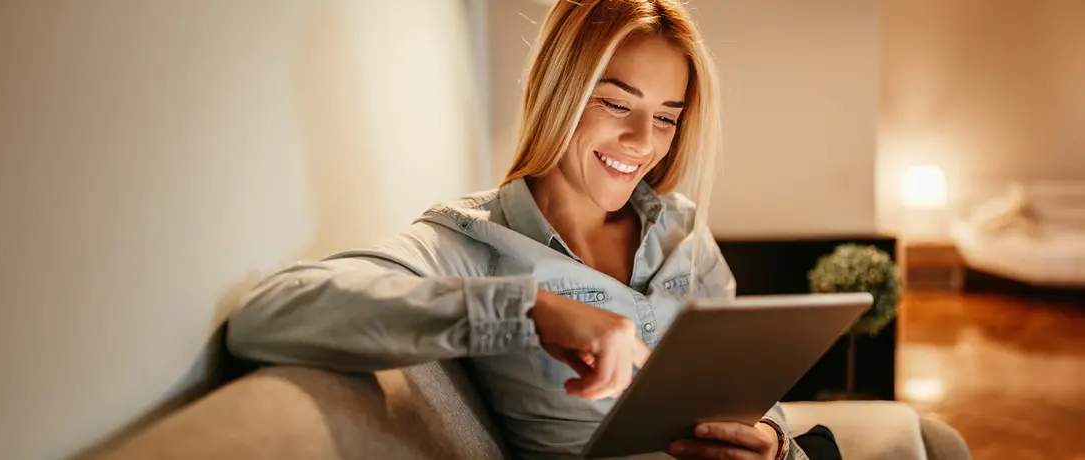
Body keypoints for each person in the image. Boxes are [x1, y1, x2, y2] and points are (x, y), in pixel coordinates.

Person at [227, 1, 826, 459]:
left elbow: (743, 391)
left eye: (667, 117)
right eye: (617, 104)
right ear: (557, 92)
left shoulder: (684, 231)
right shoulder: (470, 241)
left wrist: (770, 439)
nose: (644, 142)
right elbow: (270, 313)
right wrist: (528, 307)